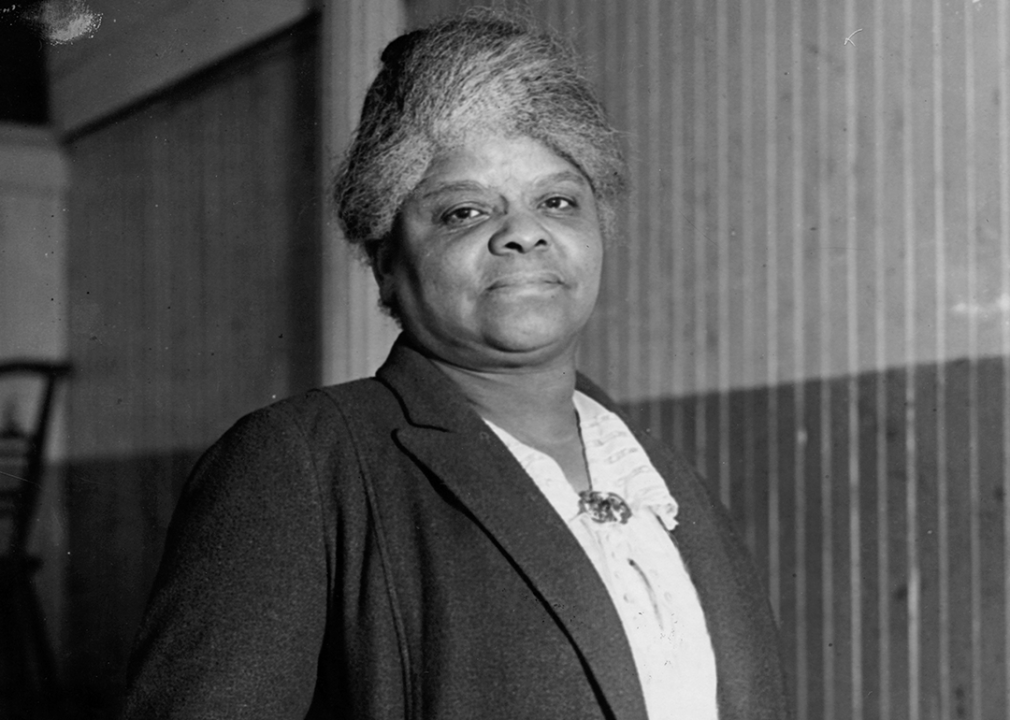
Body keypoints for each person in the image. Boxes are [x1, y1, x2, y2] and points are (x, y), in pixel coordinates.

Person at [120, 11, 790, 720]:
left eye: (558, 201)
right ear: (384, 264)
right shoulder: (302, 466)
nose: (524, 233)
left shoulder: (654, 474)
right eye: (465, 212)